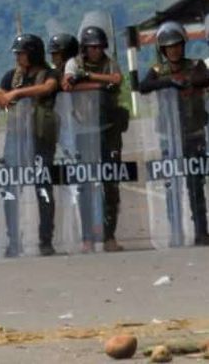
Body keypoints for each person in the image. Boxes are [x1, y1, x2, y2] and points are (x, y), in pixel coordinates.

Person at [138, 21, 209, 246]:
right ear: (163, 50)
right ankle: (175, 231)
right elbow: (144, 86)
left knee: (196, 185)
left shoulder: (196, 65)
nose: (175, 50)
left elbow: (203, 78)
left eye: (177, 45)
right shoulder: (158, 71)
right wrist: (169, 81)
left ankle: (201, 231)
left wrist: (186, 81)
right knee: (171, 186)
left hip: (193, 132)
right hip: (169, 134)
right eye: (170, 47)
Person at [0, 34, 60, 257]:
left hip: (40, 139)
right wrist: (0, 93)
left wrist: (18, 93)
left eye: (22, 53)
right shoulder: (13, 76)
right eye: (17, 54)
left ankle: (46, 239)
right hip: (16, 138)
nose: (19, 57)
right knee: (10, 189)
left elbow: (49, 88)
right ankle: (13, 239)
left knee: (43, 189)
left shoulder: (48, 74)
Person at [62, 25, 127, 252]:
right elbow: (68, 84)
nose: (96, 51)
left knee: (111, 184)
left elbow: (117, 80)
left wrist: (88, 78)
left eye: (99, 47)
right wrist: (101, 84)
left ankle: (110, 236)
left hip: (108, 128)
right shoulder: (74, 63)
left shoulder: (110, 63)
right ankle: (87, 237)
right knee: (85, 185)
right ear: (84, 48)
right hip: (83, 130)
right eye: (91, 48)